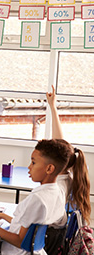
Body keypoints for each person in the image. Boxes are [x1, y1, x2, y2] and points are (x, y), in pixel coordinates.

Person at [46, 85, 91, 223]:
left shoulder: (56, 186)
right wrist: (53, 107)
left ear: (52, 165)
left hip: (50, 236)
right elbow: (60, 144)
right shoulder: (69, 177)